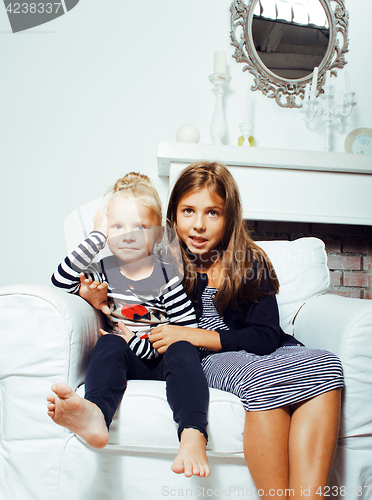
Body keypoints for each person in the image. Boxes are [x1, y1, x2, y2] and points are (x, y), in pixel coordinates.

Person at [79, 162, 344, 499]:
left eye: (213, 213)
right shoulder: (157, 262)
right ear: (172, 217)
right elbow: (119, 297)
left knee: (328, 364)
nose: (199, 225)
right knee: (259, 380)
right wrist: (93, 298)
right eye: (188, 211)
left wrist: (193, 334)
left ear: (228, 217)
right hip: (211, 360)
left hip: (265, 350)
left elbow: (265, 336)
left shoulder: (250, 260)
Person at [47, 172, 210, 478]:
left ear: (158, 235)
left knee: (184, 350)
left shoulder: (165, 277)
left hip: (162, 360)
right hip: (126, 358)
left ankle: (192, 432)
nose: (128, 236)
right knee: (109, 343)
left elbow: (188, 329)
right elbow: (60, 280)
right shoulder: (103, 272)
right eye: (118, 227)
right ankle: (96, 414)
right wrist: (96, 237)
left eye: (140, 228)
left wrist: (147, 340)